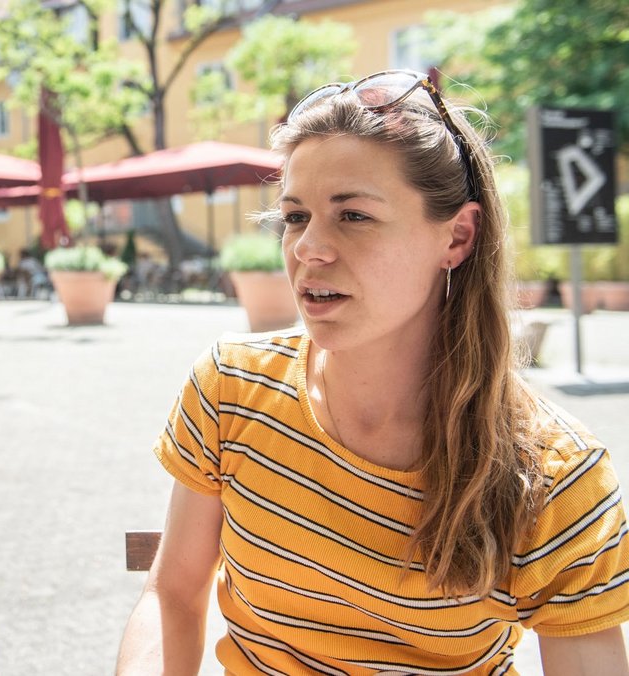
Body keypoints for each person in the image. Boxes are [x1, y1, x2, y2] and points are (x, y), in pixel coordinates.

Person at [117, 70, 629, 674]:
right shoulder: (233, 386)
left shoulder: (553, 471)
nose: (309, 248)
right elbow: (173, 593)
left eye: (353, 216)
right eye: (296, 216)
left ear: (458, 237)